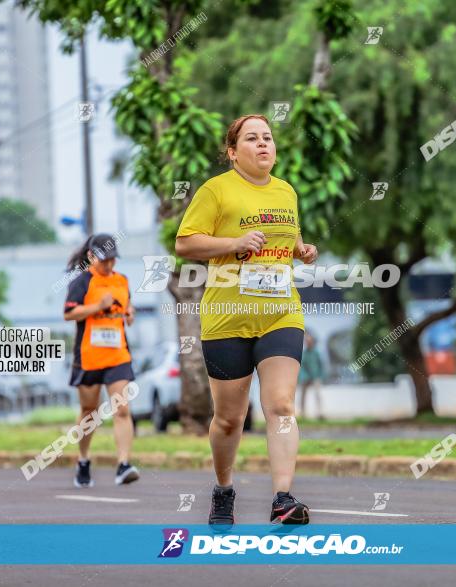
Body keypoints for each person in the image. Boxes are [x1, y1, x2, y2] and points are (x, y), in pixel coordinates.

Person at [175, 114, 319, 526]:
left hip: (280, 313)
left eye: (268, 138)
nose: (263, 145)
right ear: (232, 151)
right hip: (227, 319)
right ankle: (223, 489)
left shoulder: (286, 192)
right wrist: (234, 242)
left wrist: (302, 249)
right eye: (252, 139)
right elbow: (185, 243)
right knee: (228, 419)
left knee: (281, 404)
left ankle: (283, 497)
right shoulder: (216, 190)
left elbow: (286, 239)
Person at [63, 233, 139, 488]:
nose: (109, 265)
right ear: (91, 256)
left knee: (122, 408)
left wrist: (129, 314)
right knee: (89, 412)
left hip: (118, 355)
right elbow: (69, 313)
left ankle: (124, 464)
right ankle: (83, 460)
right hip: (88, 357)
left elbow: (127, 308)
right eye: (104, 260)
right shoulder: (82, 281)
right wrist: (97, 306)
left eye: (113, 260)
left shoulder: (122, 280)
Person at [298, 332, 325, 420]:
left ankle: (320, 413)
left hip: (316, 377)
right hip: (306, 378)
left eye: (309, 341)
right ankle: (302, 413)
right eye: (306, 341)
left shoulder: (317, 352)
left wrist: (321, 376)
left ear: (312, 342)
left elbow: (321, 364)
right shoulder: (304, 353)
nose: (308, 343)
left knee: (318, 394)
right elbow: (302, 366)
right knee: (302, 395)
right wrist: (304, 377)